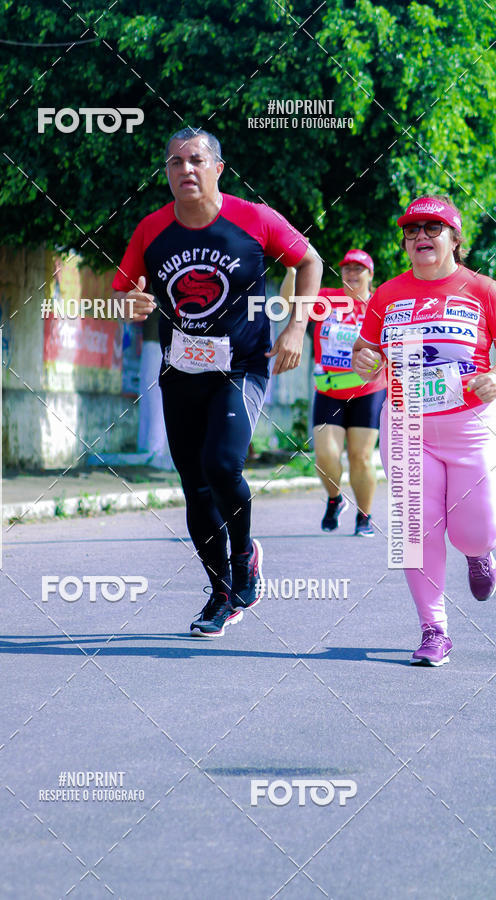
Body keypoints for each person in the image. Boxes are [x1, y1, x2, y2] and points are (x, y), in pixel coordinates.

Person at [112, 128, 322, 636]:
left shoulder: (253, 219)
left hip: (242, 364)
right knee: (195, 487)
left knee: (222, 464)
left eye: (196, 160)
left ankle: (245, 554)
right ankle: (220, 592)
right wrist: (129, 304)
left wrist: (297, 324)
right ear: (166, 173)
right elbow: (121, 292)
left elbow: (309, 259)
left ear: (217, 168)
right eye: (175, 162)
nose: (186, 169)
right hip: (180, 370)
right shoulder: (151, 230)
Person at [353, 195, 496, 666]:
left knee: (475, 531)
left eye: (432, 229)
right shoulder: (388, 294)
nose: (420, 237)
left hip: (469, 425)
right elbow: (365, 358)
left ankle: (479, 555)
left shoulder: (483, 290)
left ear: (456, 238)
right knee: (415, 532)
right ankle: (433, 630)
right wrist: (366, 361)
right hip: (405, 423)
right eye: (412, 231)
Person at [283, 250, 387, 536]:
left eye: (359, 269)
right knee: (325, 456)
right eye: (347, 269)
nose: (352, 274)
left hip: (369, 390)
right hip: (329, 389)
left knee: (361, 457)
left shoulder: (380, 305)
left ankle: (364, 516)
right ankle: (335, 499)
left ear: (370, 275)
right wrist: (292, 273)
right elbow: (287, 302)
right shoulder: (326, 299)